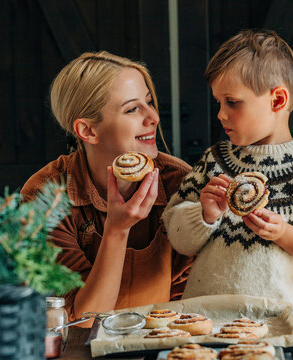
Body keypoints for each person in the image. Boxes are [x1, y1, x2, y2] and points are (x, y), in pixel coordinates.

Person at [162, 29, 293, 321]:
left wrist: (285, 234)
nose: (220, 114)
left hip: (277, 330)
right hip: (204, 324)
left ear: (277, 100)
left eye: (232, 102)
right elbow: (176, 235)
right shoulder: (213, 162)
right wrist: (205, 215)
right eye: (218, 102)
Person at [21, 51, 193, 325]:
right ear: (87, 131)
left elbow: (189, 305)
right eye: (132, 109)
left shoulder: (179, 183)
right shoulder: (46, 196)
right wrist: (117, 229)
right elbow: (83, 319)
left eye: (149, 102)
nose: (154, 117)